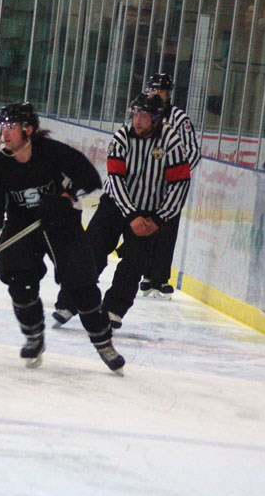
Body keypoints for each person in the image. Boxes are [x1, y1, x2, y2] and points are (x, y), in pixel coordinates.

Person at [0, 102, 125, 375]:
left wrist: (65, 198)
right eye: (2, 127)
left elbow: (89, 177)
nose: (3, 134)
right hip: (21, 227)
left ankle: (103, 342)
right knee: (18, 279)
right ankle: (33, 336)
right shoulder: (0, 166)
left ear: (28, 130)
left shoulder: (52, 153)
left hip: (61, 226)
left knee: (82, 285)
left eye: (10, 128)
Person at [53, 93, 191, 330]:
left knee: (135, 262)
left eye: (145, 115)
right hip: (115, 206)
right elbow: (115, 179)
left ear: (156, 118)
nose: (138, 120)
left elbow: (180, 183)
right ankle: (69, 301)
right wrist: (131, 216)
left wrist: (159, 219)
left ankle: (113, 309)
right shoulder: (122, 137)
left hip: (150, 213)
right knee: (91, 250)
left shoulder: (171, 141)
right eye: (136, 113)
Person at [138, 73, 200, 300]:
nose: (155, 94)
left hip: (172, 187)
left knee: (167, 229)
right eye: (152, 89)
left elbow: (192, 151)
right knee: (145, 226)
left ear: (167, 93)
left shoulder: (179, 118)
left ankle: (160, 277)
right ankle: (145, 273)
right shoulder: (141, 114)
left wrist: (177, 177)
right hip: (146, 186)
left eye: (159, 90)